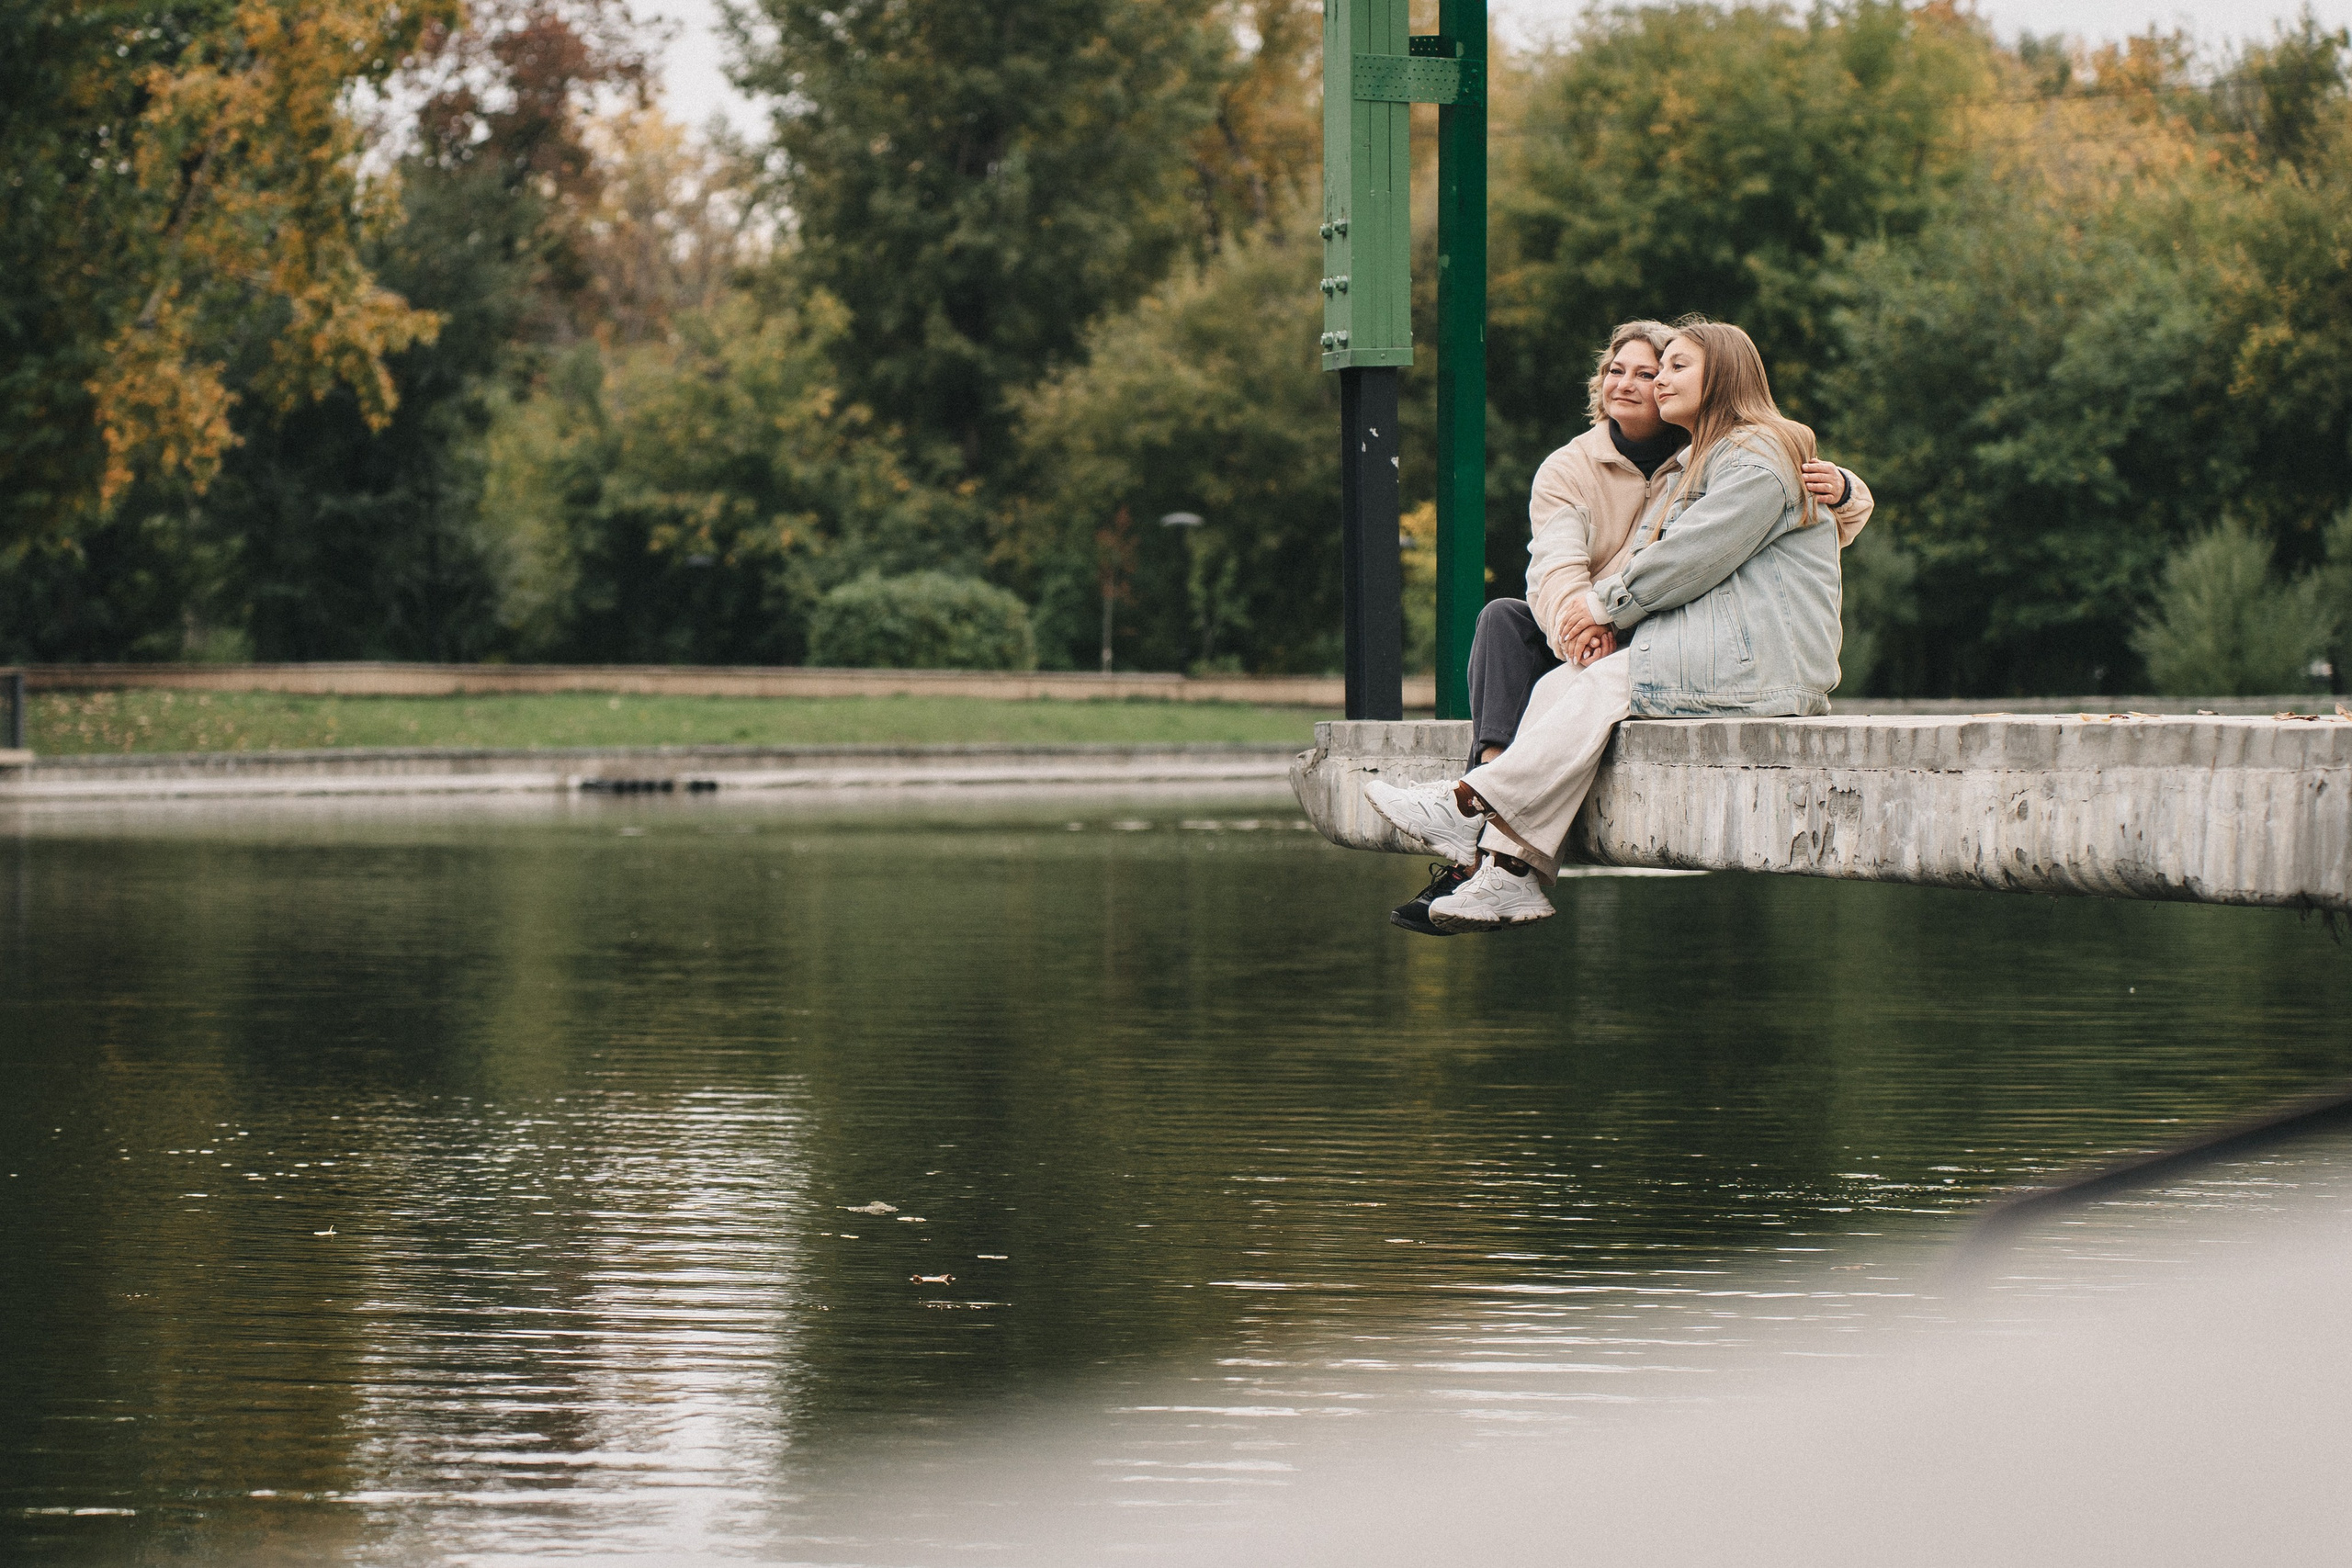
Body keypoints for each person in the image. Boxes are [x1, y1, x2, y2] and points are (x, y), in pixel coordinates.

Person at [1388, 320, 1875, 934]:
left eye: (1666, 369)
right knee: (1541, 662)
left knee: (1594, 685)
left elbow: (1699, 551)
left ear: (1721, 377)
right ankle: (1506, 873)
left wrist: (1849, 489)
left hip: (1746, 654)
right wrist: (1584, 627)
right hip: (1666, 633)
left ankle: (1468, 803)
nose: (1646, 382)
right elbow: (1559, 566)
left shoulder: (1743, 453)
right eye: (1626, 370)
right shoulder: (1595, 465)